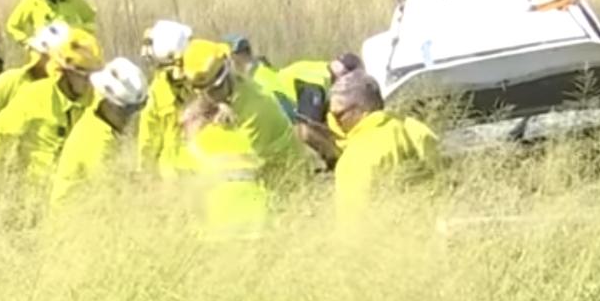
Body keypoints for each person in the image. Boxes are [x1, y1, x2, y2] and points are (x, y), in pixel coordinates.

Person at [0, 29, 103, 187]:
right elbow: (1, 133)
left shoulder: (94, 103)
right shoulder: (35, 95)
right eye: (82, 74)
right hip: (30, 191)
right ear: (64, 70)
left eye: (92, 74)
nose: (88, 81)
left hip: (71, 194)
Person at [180, 39, 308, 182]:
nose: (201, 98)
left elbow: (241, 171)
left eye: (205, 93)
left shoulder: (255, 110)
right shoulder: (224, 94)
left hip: (286, 181)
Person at [330, 71, 439, 217]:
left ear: (362, 111)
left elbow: (353, 223)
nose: (333, 122)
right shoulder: (417, 129)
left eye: (338, 114)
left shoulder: (354, 158)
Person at [51, 58, 149, 206]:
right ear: (109, 103)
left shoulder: (100, 120)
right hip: (73, 219)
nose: (131, 116)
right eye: (127, 110)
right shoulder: (97, 140)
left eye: (137, 108)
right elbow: (115, 194)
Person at [175, 97, 269, 240]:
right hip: (258, 227)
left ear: (201, 119)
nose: (182, 133)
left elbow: (186, 198)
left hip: (220, 231)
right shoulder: (242, 137)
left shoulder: (194, 147)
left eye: (185, 124)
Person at [137, 20, 194, 177]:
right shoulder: (156, 94)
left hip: (196, 173)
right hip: (175, 178)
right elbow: (147, 143)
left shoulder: (200, 78)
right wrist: (146, 174)